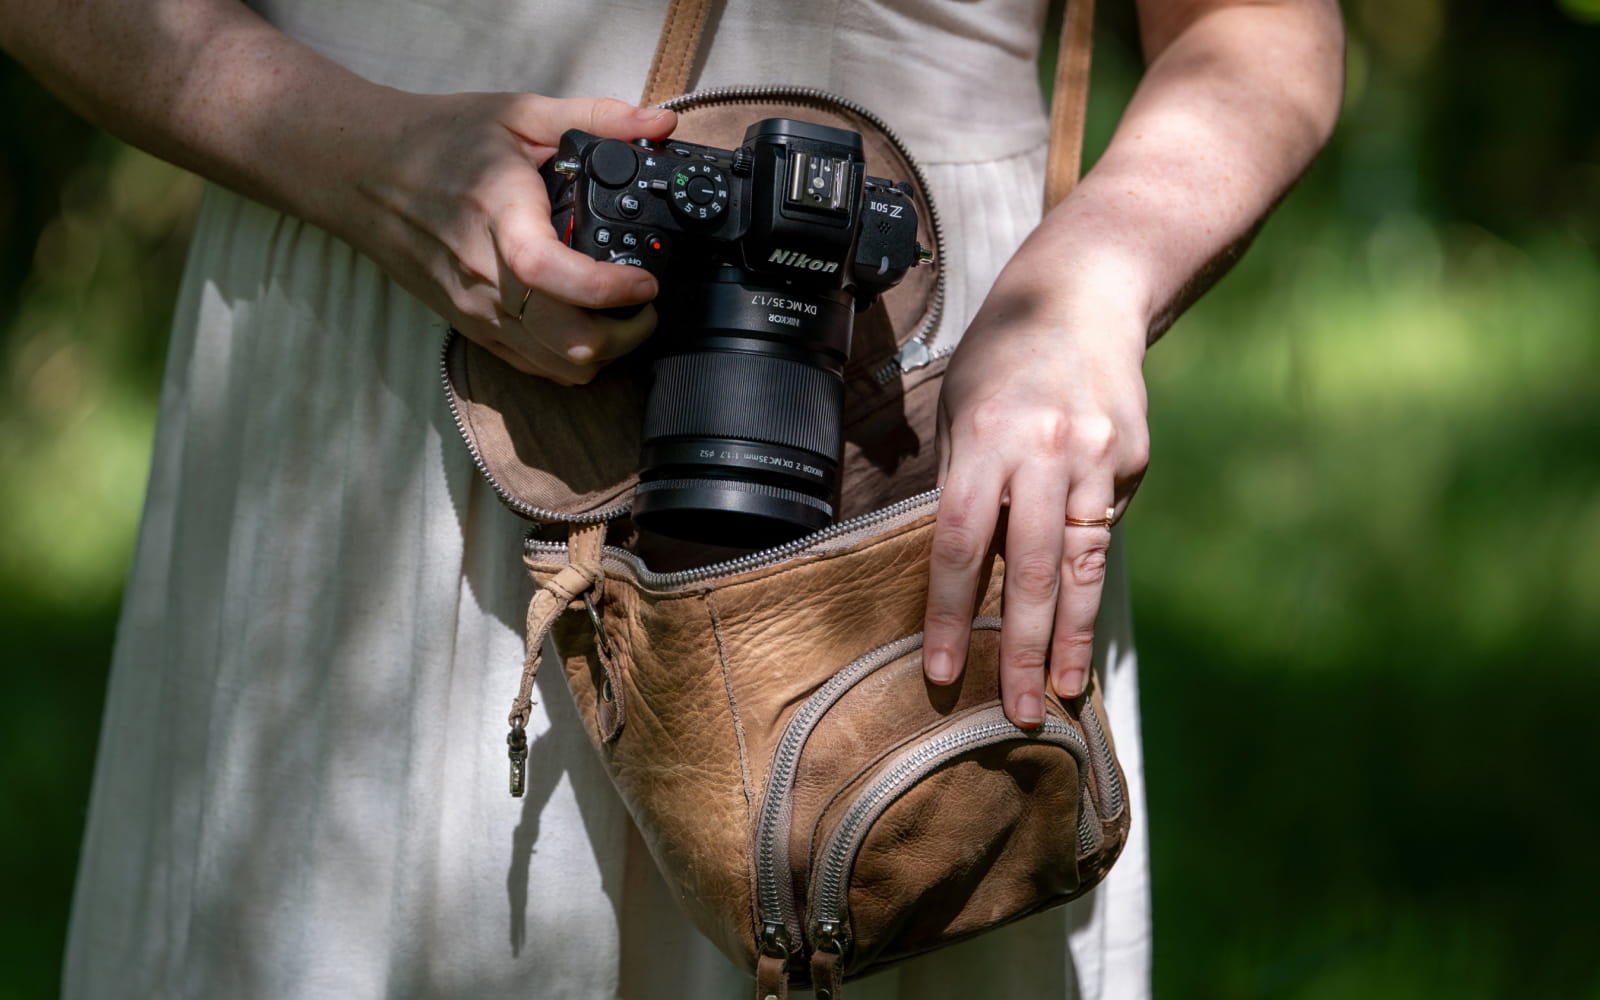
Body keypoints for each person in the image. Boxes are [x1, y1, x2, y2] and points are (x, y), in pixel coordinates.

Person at [1, 0, 1343, 996]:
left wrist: (1092, 285)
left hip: (913, 407)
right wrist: (355, 155)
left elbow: (1261, 30)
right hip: (388, 309)